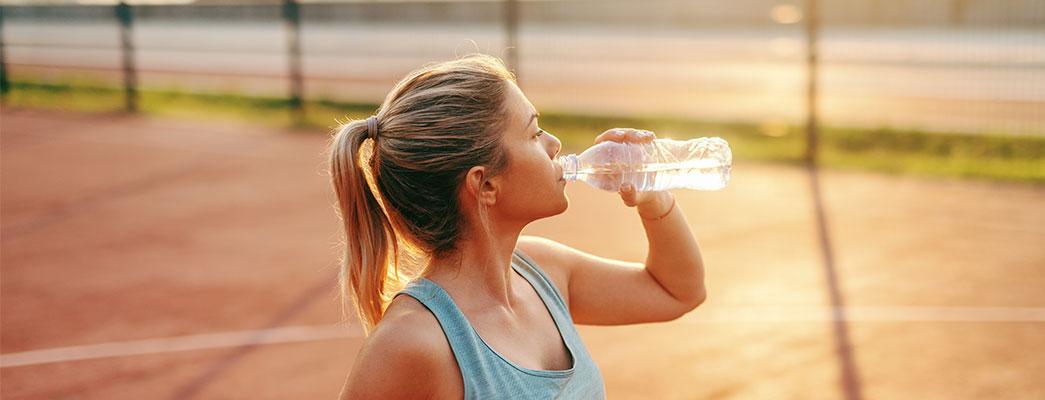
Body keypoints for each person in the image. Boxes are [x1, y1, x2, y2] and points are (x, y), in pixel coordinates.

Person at [328, 54, 706, 399]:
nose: (555, 144)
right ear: (485, 185)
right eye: (535, 133)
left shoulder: (543, 271)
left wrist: (653, 195)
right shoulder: (415, 341)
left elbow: (677, 291)